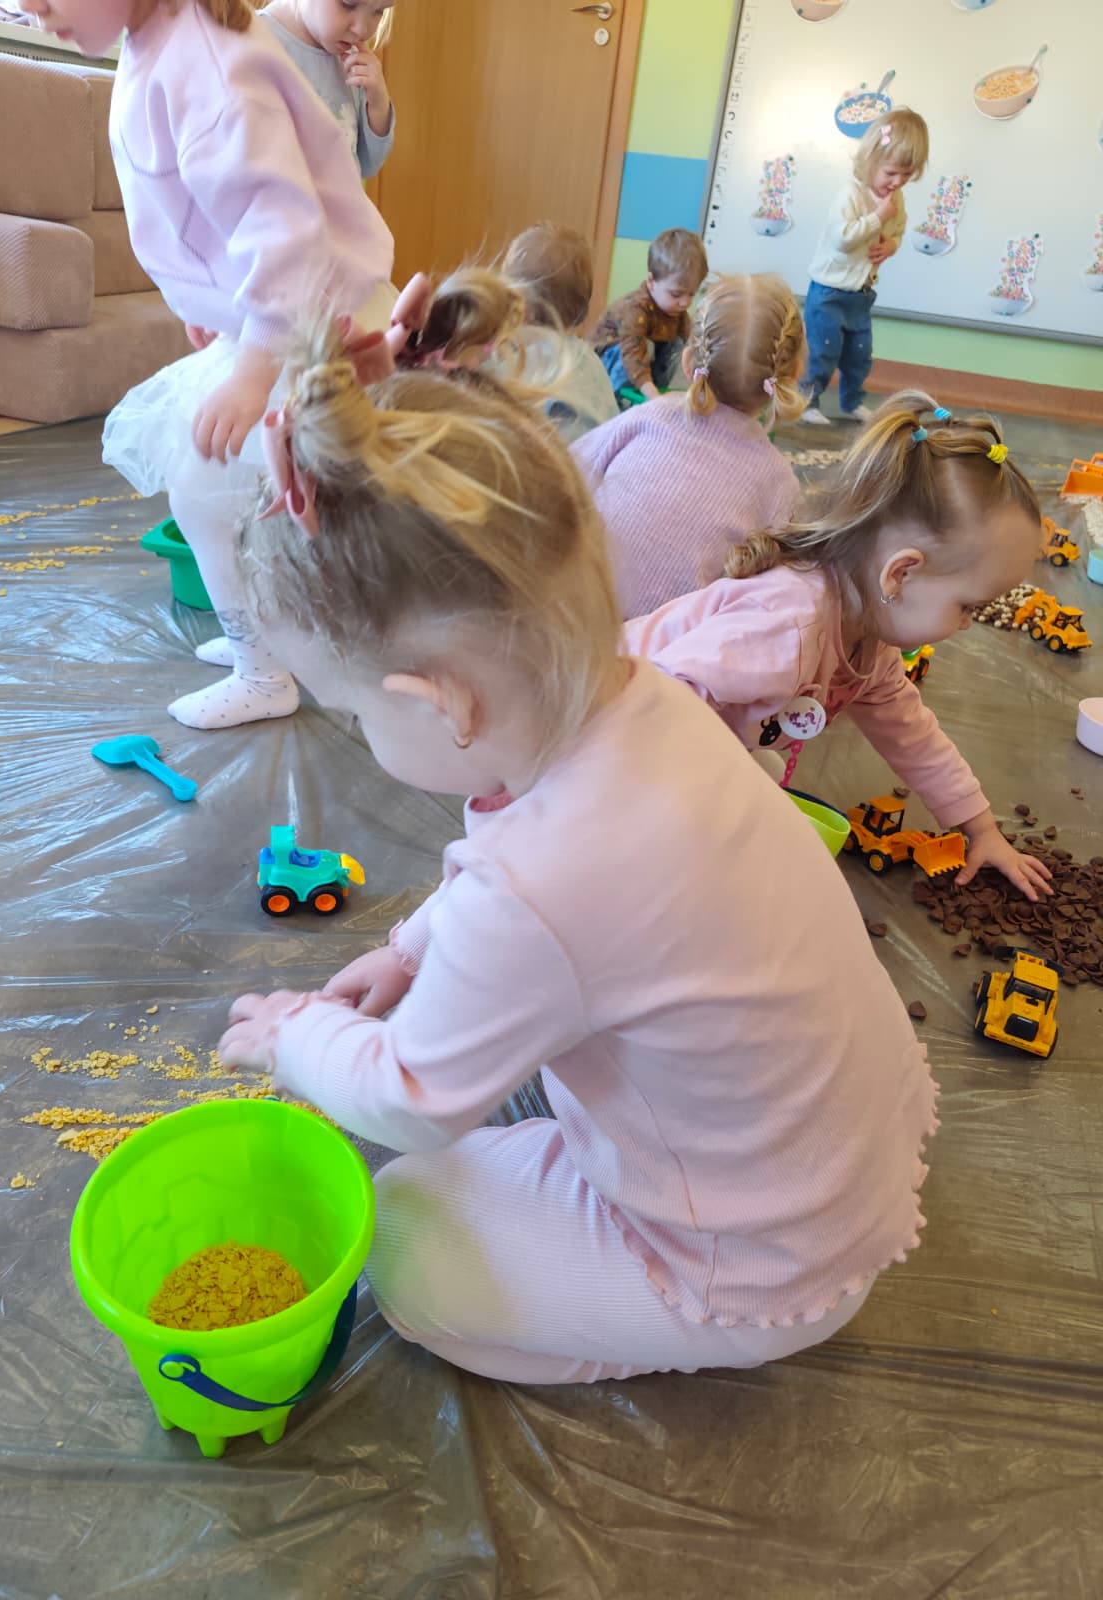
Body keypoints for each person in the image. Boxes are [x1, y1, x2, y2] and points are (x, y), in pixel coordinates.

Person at [215, 279, 940, 1385]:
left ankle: (646, 1329)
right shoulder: (656, 699)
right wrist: (411, 950)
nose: (360, 734)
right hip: (830, 1158)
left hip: (749, 1260)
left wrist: (292, 1036)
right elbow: (533, 883)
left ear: (440, 703)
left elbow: (408, 1097)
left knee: (400, 1235)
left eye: (356, 714)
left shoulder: (541, 885)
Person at [23, 0, 395, 729]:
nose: (32, 7)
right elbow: (198, 202)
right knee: (232, 492)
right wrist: (208, 297)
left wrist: (252, 372)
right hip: (281, 314)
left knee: (210, 488)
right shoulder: (158, 38)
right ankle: (268, 641)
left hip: (309, 320)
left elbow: (284, 234)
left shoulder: (208, 64)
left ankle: (265, 668)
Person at [626, 394, 1052, 903]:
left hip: (680, 734)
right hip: (605, 725)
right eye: (968, 606)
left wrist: (982, 830)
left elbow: (911, 734)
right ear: (901, 573)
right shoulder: (788, 626)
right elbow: (655, 704)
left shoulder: (871, 642)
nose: (966, 626)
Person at [574, 273, 804, 619]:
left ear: (687, 361)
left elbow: (566, 470)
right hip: (667, 643)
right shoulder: (780, 482)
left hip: (572, 610)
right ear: (793, 374)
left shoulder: (648, 415)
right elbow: (776, 594)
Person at [800, 107, 928, 426]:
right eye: (891, 173)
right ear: (871, 161)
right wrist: (877, 217)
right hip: (828, 292)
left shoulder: (895, 199)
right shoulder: (851, 195)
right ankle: (807, 401)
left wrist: (892, 244)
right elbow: (842, 240)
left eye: (907, 175)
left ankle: (852, 402)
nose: (897, 182)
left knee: (859, 354)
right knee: (824, 352)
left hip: (860, 294)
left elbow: (897, 229)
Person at [493, 222, 618, 444]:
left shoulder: (512, 359)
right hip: (598, 460)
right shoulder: (591, 362)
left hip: (548, 461)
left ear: (519, 305)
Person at [259, 0, 396, 180]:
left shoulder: (353, 60)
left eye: (379, 11)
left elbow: (368, 164)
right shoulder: (253, 43)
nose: (362, 30)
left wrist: (378, 102)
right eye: (348, 4)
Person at [591, 229, 707, 406]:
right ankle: (620, 402)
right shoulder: (635, 308)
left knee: (679, 347)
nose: (685, 303)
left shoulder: (677, 311)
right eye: (676, 294)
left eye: (691, 294)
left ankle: (653, 390)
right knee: (648, 346)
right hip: (605, 365)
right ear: (651, 282)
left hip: (640, 360)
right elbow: (633, 354)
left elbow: (692, 345)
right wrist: (654, 399)